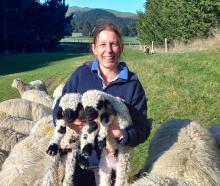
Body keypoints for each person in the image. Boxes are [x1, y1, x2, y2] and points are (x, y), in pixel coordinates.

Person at [53, 22, 151, 186]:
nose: (109, 50)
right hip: (80, 164)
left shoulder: (132, 84)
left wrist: (120, 134)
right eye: (103, 45)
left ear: (121, 47)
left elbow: (143, 128)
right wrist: (69, 122)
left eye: (114, 44)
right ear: (94, 48)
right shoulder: (81, 75)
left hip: (114, 169)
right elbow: (59, 107)